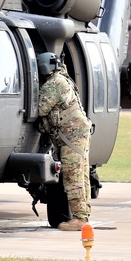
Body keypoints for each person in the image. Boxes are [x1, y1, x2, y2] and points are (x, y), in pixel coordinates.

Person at [36, 52, 91, 231]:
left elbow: (39, 109)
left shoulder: (54, 84)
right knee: (81, 175)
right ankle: (82, 215)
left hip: (71, 136)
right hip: (76, 135)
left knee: (73, 177)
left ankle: (79, 219)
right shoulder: (62, 79)